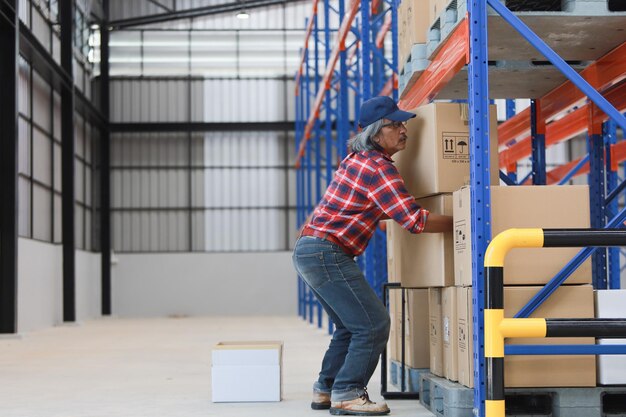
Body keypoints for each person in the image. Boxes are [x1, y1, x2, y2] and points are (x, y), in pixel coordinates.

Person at [292, 96, 453, 416]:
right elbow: (415, 221)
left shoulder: (356, 161)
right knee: (373, 324)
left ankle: (326, 388)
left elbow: (379, 211)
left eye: (403, 123)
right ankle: (348, 392)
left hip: (312, 250)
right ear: (377, 133)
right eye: (396, 125)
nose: (404, 130)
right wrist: (465, 219)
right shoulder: (378, 167)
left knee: (350, 327)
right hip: (327, 252)